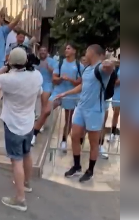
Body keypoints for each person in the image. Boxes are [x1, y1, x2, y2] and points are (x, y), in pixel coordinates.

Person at [0, 48, 43, 212]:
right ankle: (26, 183)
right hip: (28, 123)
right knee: (27, 154)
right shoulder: (37, 76)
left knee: (16, 160)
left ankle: (20, 199)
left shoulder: (8, 79)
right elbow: (40, 92)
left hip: (13, 124)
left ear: (11, 62)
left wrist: (5, 67)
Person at [55, 44, 115, 183]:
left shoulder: (100, 68)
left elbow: (109, 68)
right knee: (75, 136)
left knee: (94, 142)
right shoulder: (87, 69)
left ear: (92, 52)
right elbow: (83, 86)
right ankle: (77, 166)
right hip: (81, 108)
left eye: (87, 51)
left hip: (94, 110)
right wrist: (66, 93)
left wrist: (109, 63)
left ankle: (90, 171)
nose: (85, 53)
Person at [32, 44, 83, 148]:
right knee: (46, 111)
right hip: (57, 93)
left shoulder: (79, 66)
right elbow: (54, 79)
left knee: (68, 118)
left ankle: (64, 141)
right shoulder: (60, 63)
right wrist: (60, 79)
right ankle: (34, 134)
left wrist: (70, 80)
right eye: (66, 48)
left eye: (69, 48)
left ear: (74, 51)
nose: (66, 50)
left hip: (71, 95)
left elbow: (80, 82)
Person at [31, 46, 56, 142]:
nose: (42, 52)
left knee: (44, 102)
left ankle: (41, 123)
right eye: (41, 51)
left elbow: (55, 72)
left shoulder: (51, 61)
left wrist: (49, 68)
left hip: (47, 83)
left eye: (44, 51)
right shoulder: (35, 60)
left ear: (47, 52)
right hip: (36, 83)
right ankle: (34, 120)